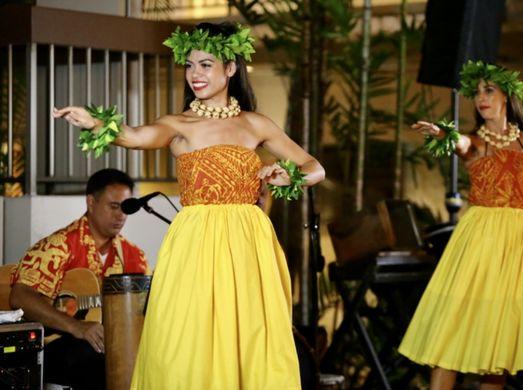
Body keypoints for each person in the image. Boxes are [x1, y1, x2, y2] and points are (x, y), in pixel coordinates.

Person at [53, 22, 325, 389]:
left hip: (250, 246)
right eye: (189, 65)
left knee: (251, 340)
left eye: (205, 64)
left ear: (230, 68)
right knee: (189, 342)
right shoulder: (178, 125)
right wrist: (95, 122)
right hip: (197, 246)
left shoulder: (255, 124)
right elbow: (134, 136)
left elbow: (314, 168)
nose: (194, 74)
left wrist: (289, 177)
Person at [398, 61, 523, 390]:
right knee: (451, 332)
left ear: (508, 96)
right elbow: (459, 142)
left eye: (489, 90)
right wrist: (444, 134)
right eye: (476, 93)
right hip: (481, 241)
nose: (481, 98)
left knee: (499, 341)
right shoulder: (475, 142)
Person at [9, 168, 149, 390]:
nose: (121, 215)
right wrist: (77, 326)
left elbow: (143, 309)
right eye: (113, 206)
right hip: (55, 345)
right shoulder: (59, 246)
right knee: (93, 356)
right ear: (91, 202)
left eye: (125, 207)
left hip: (111, 345)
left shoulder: (134, 256)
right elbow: (20, 297)